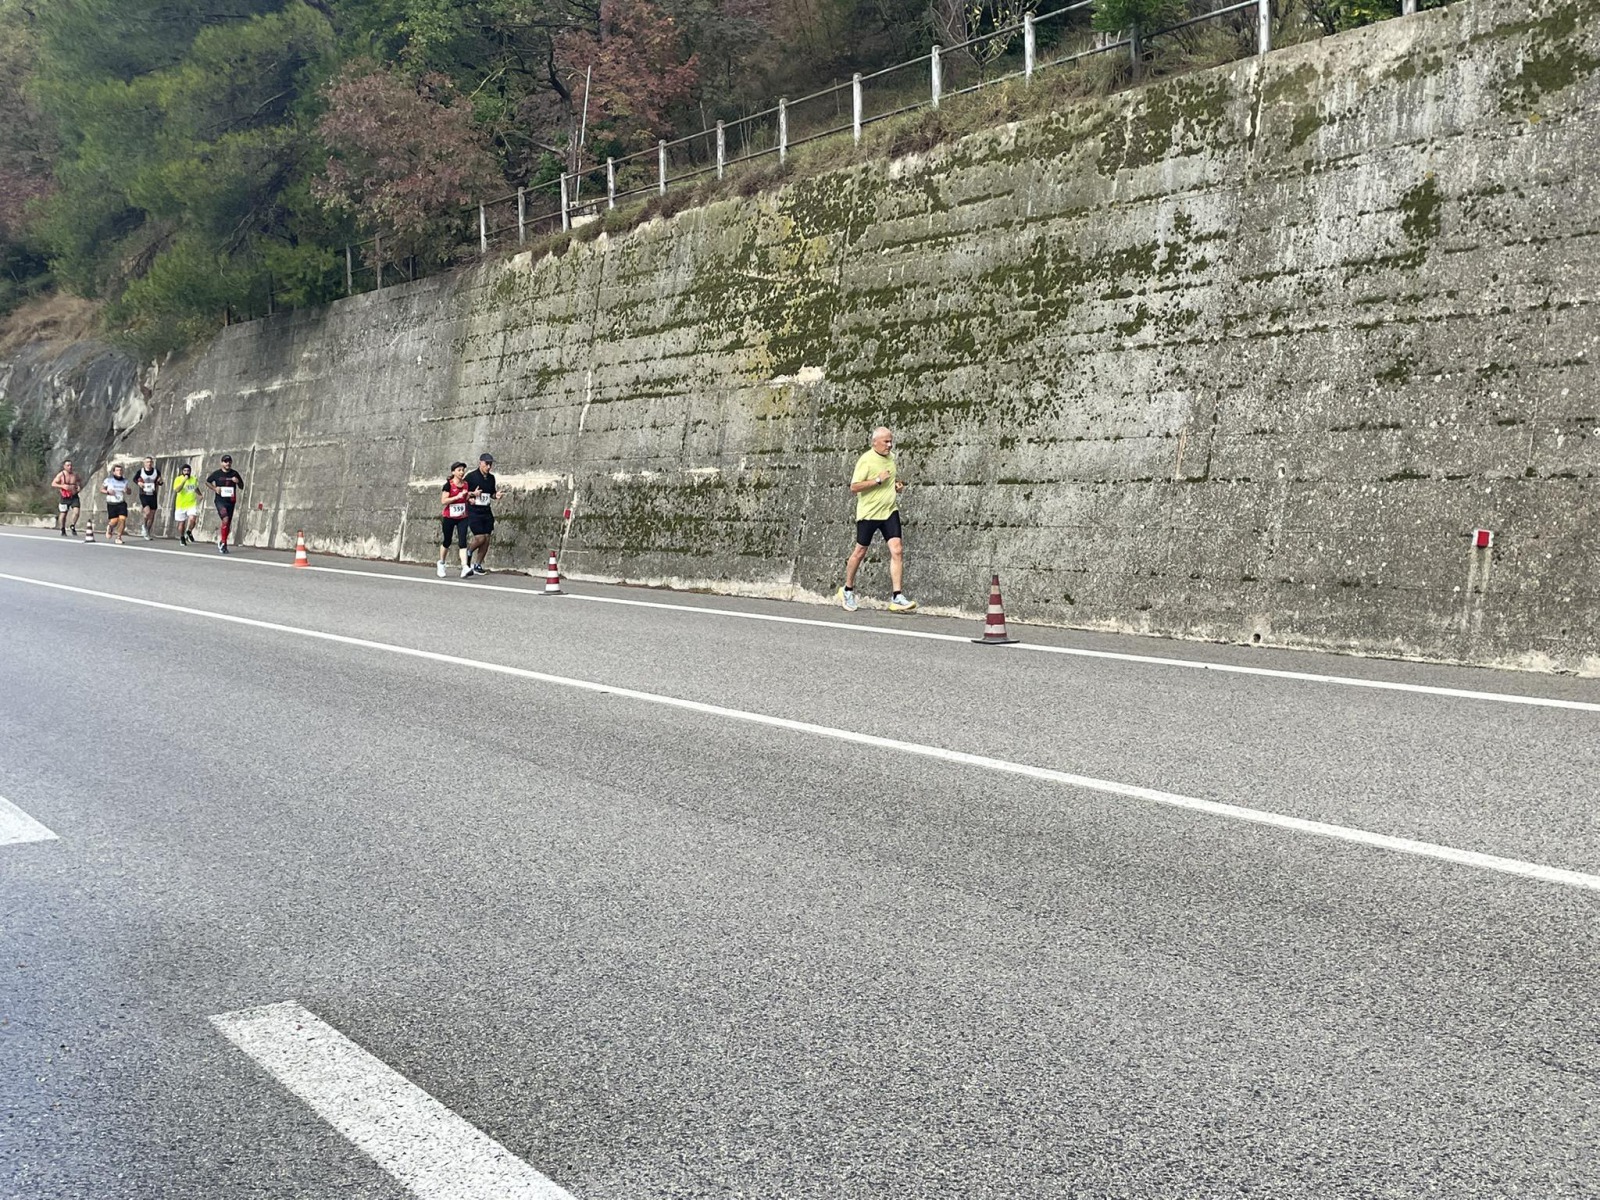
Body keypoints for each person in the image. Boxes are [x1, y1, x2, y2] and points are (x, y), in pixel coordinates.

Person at [840, 426, 916, 613]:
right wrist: (877, 480)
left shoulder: (891, 458)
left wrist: (896, 486)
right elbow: (854, 487)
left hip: (889, 511)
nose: (889, 445)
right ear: (875, 443)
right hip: (869, 513)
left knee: (897, 550)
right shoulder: (865, 460)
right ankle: (847, 590)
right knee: (860, 552)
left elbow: (890, 480)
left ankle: (897, 597)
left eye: (891, 441)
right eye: (886, 442)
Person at [463, 453, 498, 577]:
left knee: (487, 538)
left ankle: (477, 564)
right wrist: (472, 495)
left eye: (490, 464)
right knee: (480, 538)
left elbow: (492, 493)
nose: (488, 467)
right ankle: (468, 551)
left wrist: (496, 495)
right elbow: (463, 493)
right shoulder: (471, 477)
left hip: (486, 511)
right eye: (486, 464)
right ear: (480, 463)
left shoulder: (491, 478)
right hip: (474, 511)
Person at [438, 461, 472, 578]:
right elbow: (443, 501)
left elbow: (465, 498)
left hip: (462, 517)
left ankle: (464, 567)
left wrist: (470, 499)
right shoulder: (448, 485)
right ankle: (441, 563)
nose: (462, 472)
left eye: (463, 470)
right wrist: (456, 497)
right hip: (449, 517)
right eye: (459, 470)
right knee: (447, 541)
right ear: (453, 472)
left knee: (463, 541)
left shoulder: (466, 484)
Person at [205, 454, 244, 555]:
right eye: (225, 462)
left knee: (227, 524)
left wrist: (237, 481)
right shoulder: (217, 473)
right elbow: (207, 482)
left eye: (229, 462)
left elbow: (241, 486)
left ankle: (223, 541)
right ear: (222, 463)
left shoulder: (234, 473)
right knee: (225, 519)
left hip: (231, 501)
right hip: (220, 501)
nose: (228, 463)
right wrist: (215, 488)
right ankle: (224, 544)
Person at [132, 457, 162, 540]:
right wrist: (139, 483)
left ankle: (148, 532)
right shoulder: (140, 471)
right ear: (144, 463)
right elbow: (134, 479)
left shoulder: (156, 471)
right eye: (147, 462)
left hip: (153, 494)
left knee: (152, 515)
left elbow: (160, 482)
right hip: (144, 494)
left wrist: (160, 481)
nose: (149, 463)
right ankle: (144, 525)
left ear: (152, 463)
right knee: (147, 512)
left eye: (150, 462)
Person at [172, 464, 202, 544]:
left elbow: (195, 487)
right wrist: (184, 480)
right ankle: (182, 537)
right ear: (182, 471)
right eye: (185, 471)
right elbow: (177, 490)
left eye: (188, 471)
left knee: (193, 519)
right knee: (181, 523)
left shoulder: (193, 479)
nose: (186, 472)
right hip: (181, 505)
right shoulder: (178, 479)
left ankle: (189, 531)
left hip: (191, 503)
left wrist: (200, 494)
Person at [50, 460, 81, 537]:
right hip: (65, 497)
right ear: (64, 466)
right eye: (68, 465)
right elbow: (53, 483)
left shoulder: (75, 474)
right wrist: (62, 486)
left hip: (74, 496)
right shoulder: (61, 474)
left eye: (71, 465)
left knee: (76, 512)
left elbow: (79, 481)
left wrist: (78, 486)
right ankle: (62, 528)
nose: (70, 467)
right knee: (63, 514)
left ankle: (72, 525)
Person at [102, 463, 131, 544]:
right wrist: (108, 492)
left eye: (121, 470)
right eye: (117, 470)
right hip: (111, 503)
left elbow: (129, 492)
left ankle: (119, 537)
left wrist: (127, 490)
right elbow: (101, 489)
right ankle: (110, 527)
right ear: (114, 472)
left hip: (121, 503)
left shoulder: (125, 481)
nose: (119, 472)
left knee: (122, 519)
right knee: (114, 521)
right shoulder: (108, 480)